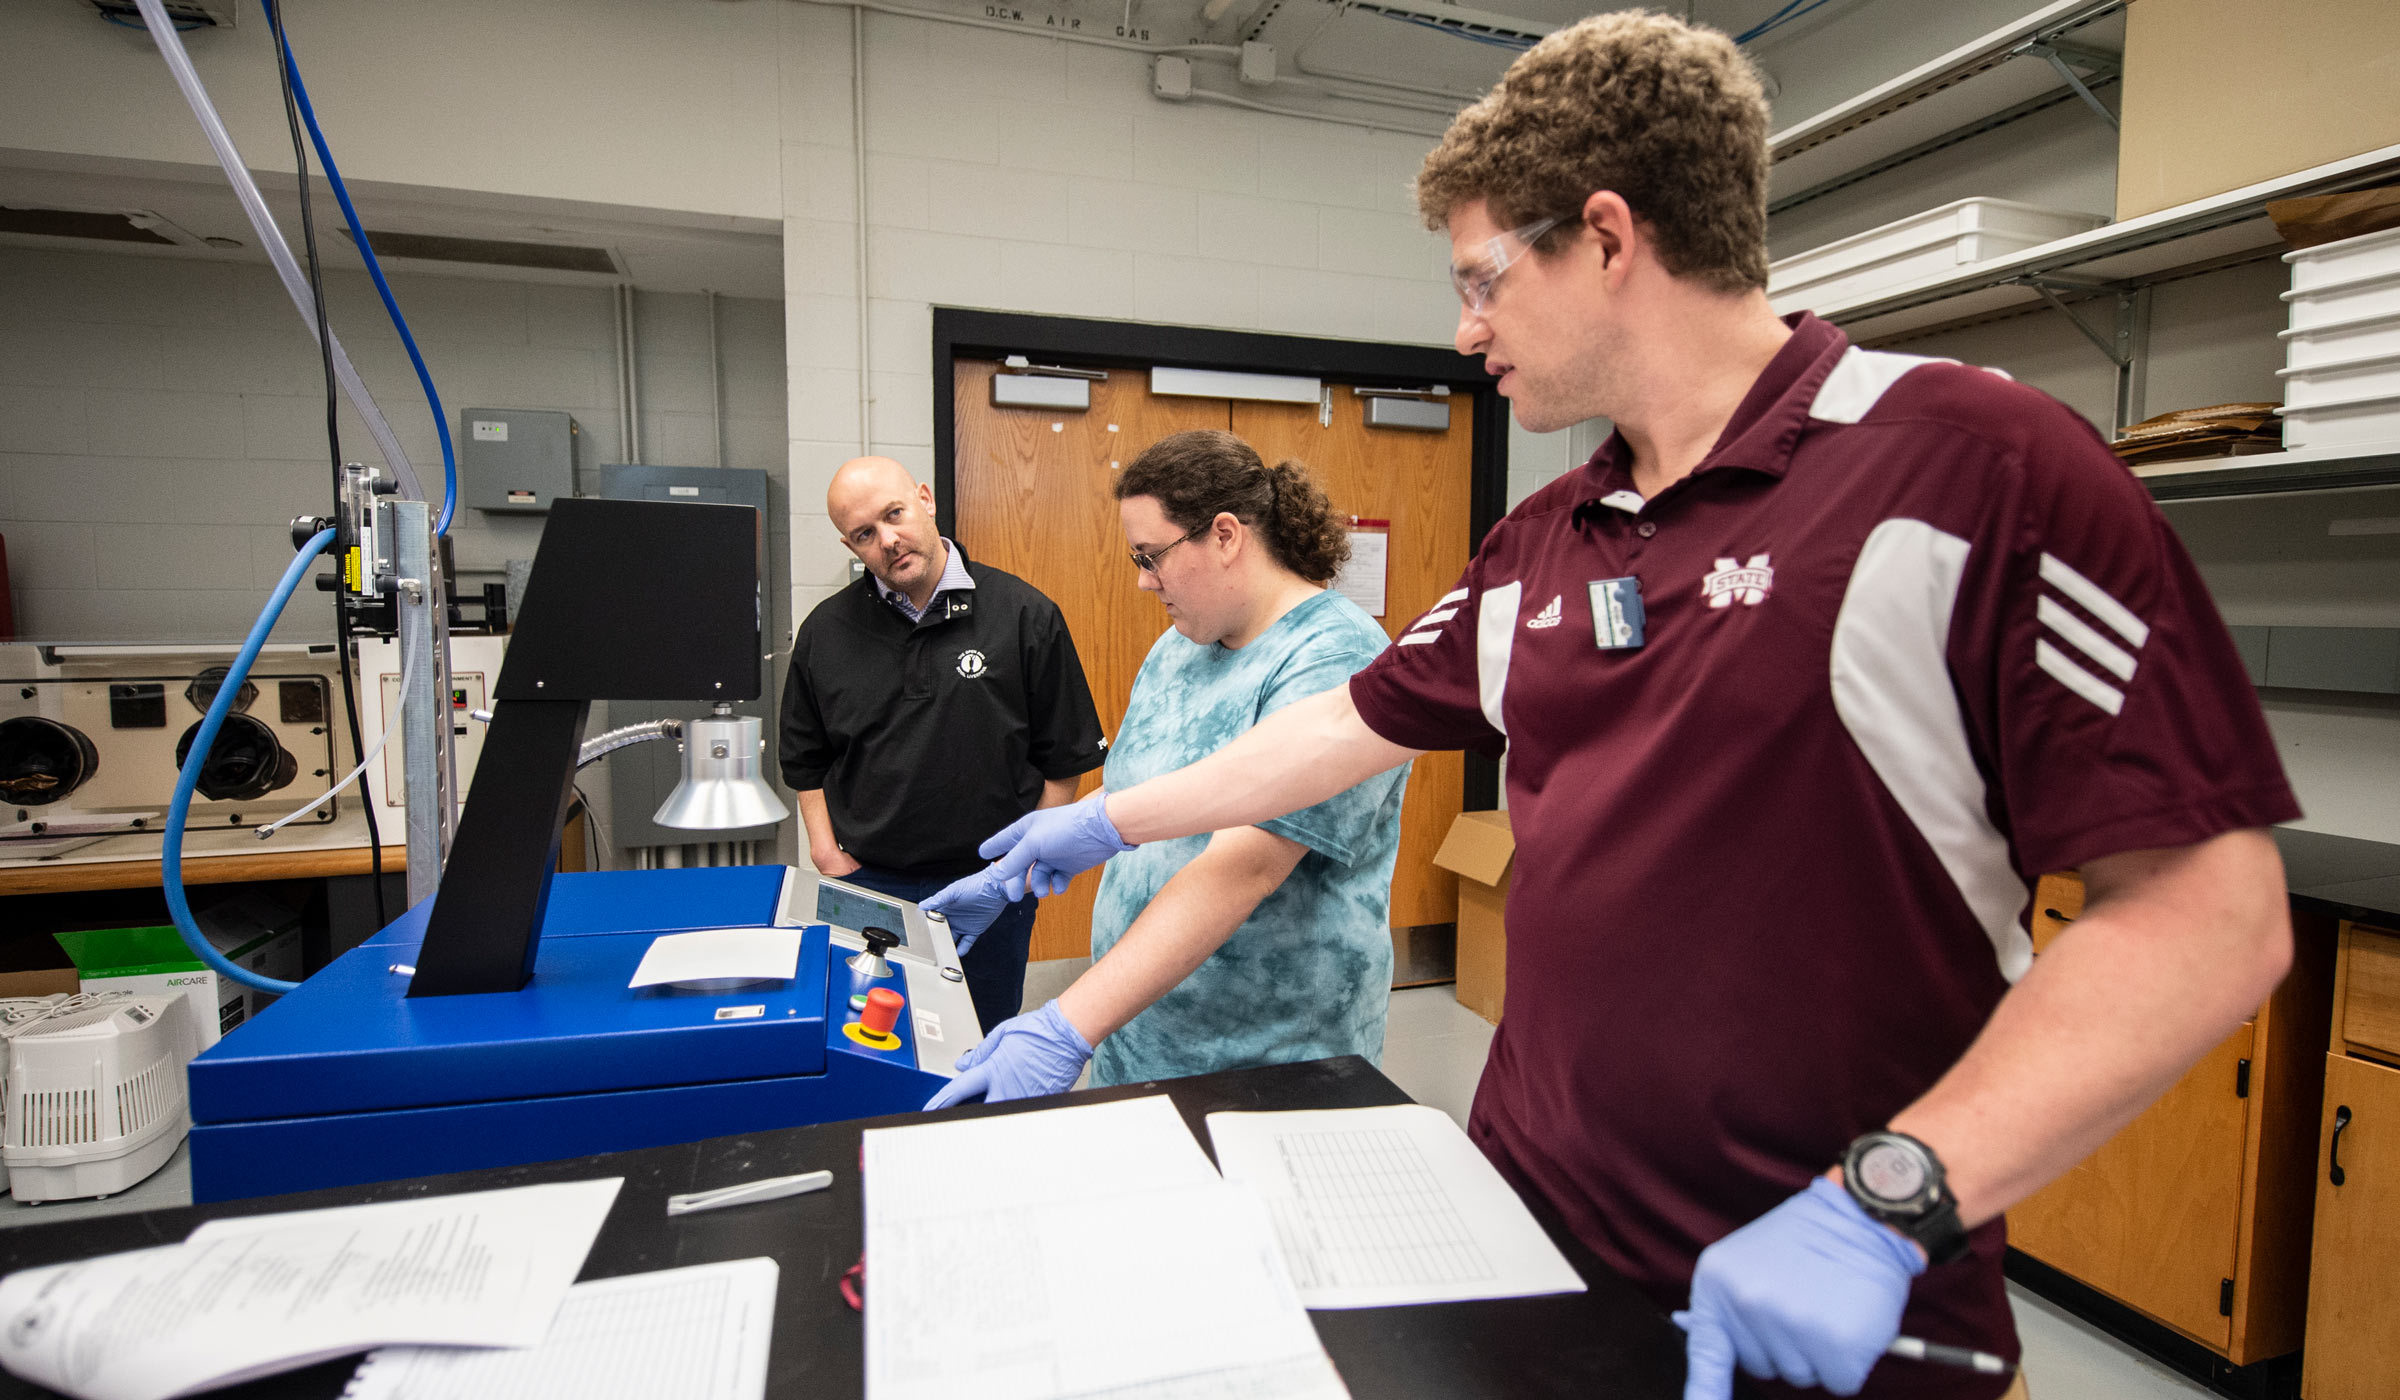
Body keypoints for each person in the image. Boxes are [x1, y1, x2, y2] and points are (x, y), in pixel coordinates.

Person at [955, 14, 2299, 1400]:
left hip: (1818, 1297)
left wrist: (1890, 1201)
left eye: (1482, 280)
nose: (1463, 329)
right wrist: (1107, 821)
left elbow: (2210, 912)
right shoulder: (1547, 534)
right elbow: (1348, 725)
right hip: (1529, 1241)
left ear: (1606, 238)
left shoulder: (1975, 467)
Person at [921, 431, 1410, 1108]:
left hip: (1267, 1053)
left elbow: (1246, 867)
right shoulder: (1181, 646)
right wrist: (1022, 870)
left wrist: (1067, 1024)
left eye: (1151, 557)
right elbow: (1146, 796)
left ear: (1226, 535)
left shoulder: (1333, 656)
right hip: (1141, 1028)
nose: (1143, 580)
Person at [780, 456, 1106, 1034]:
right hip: (869, 882)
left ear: (925, 500)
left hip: (986, 883)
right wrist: (828, 854)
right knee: (870, 1040)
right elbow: (806, 763)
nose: (888, 540)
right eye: (864, 534)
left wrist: (1017, 870)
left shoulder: (1024, 615)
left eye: (895, 514)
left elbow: (1065, 763)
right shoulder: (825, 633)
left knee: (972, 1040)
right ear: (849, 545)